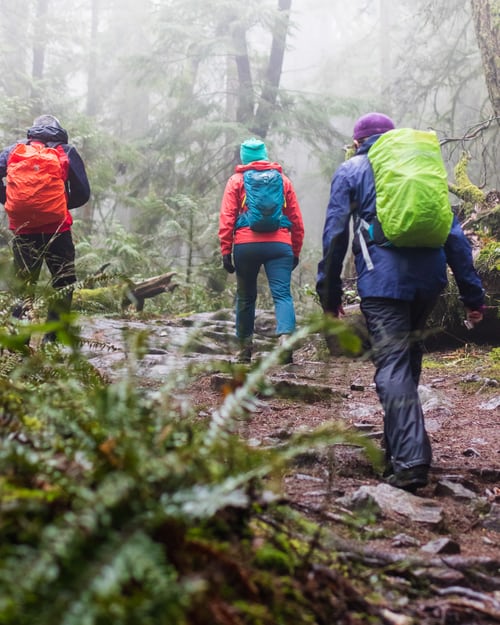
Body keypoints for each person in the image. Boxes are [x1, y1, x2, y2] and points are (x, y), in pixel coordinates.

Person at [316, 112, 485, 492]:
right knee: (407, 360)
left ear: (357, 142)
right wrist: (473, 295)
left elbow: (334, 237)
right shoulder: (420, 169)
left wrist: (328, 296)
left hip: (382, 281)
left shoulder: (353, 170)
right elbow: (454, 236)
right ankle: (397, 452)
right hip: (429, 280)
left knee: (391, 364)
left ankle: (410, 461)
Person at [0, 114, 91, 344]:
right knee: (64, 282)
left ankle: (17, 346)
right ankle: (53, 341)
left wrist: (8, 200)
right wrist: (58, 204)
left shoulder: (13, 151)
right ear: (58, 130)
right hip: (58, 230)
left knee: (24, 286)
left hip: (23, 230)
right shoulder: (66, 151)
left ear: (33, 131)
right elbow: (83, 193)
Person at [219, 138, 304, 363]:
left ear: (244, 157)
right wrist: (295, 250)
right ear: (265, 155)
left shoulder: (236, 181)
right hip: (280, 245)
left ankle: (244, 349)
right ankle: (285, 339)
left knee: (246, 297)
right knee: (282, 294)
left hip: (246, 245)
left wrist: (226, 250)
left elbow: (227, 216)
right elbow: (295, 218)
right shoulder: (283, 181)